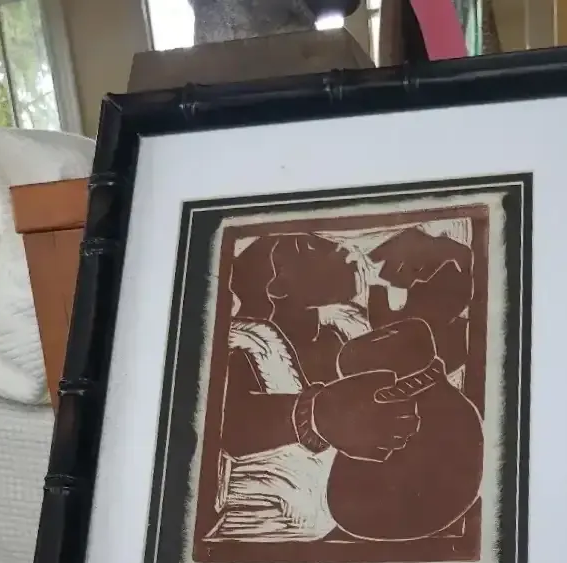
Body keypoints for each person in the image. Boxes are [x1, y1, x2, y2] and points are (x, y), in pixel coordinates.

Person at [204, 226, 484, 543]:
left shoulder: (348, 327)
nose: (337, 244)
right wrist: (315, 415)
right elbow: (222, 422)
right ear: (276, 284)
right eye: (306, 246)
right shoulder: (246, 346)